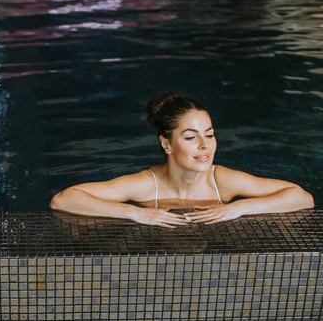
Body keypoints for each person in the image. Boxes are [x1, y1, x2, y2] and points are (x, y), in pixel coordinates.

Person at [50, 92, 314, 228]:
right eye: (190, 137)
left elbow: (302, 198)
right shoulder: (147, 186)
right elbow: (63, 199)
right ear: (166, 143)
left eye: (209, 135)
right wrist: (135, 213)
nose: (204, 146)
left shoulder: (221, 180)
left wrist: (238, 208)